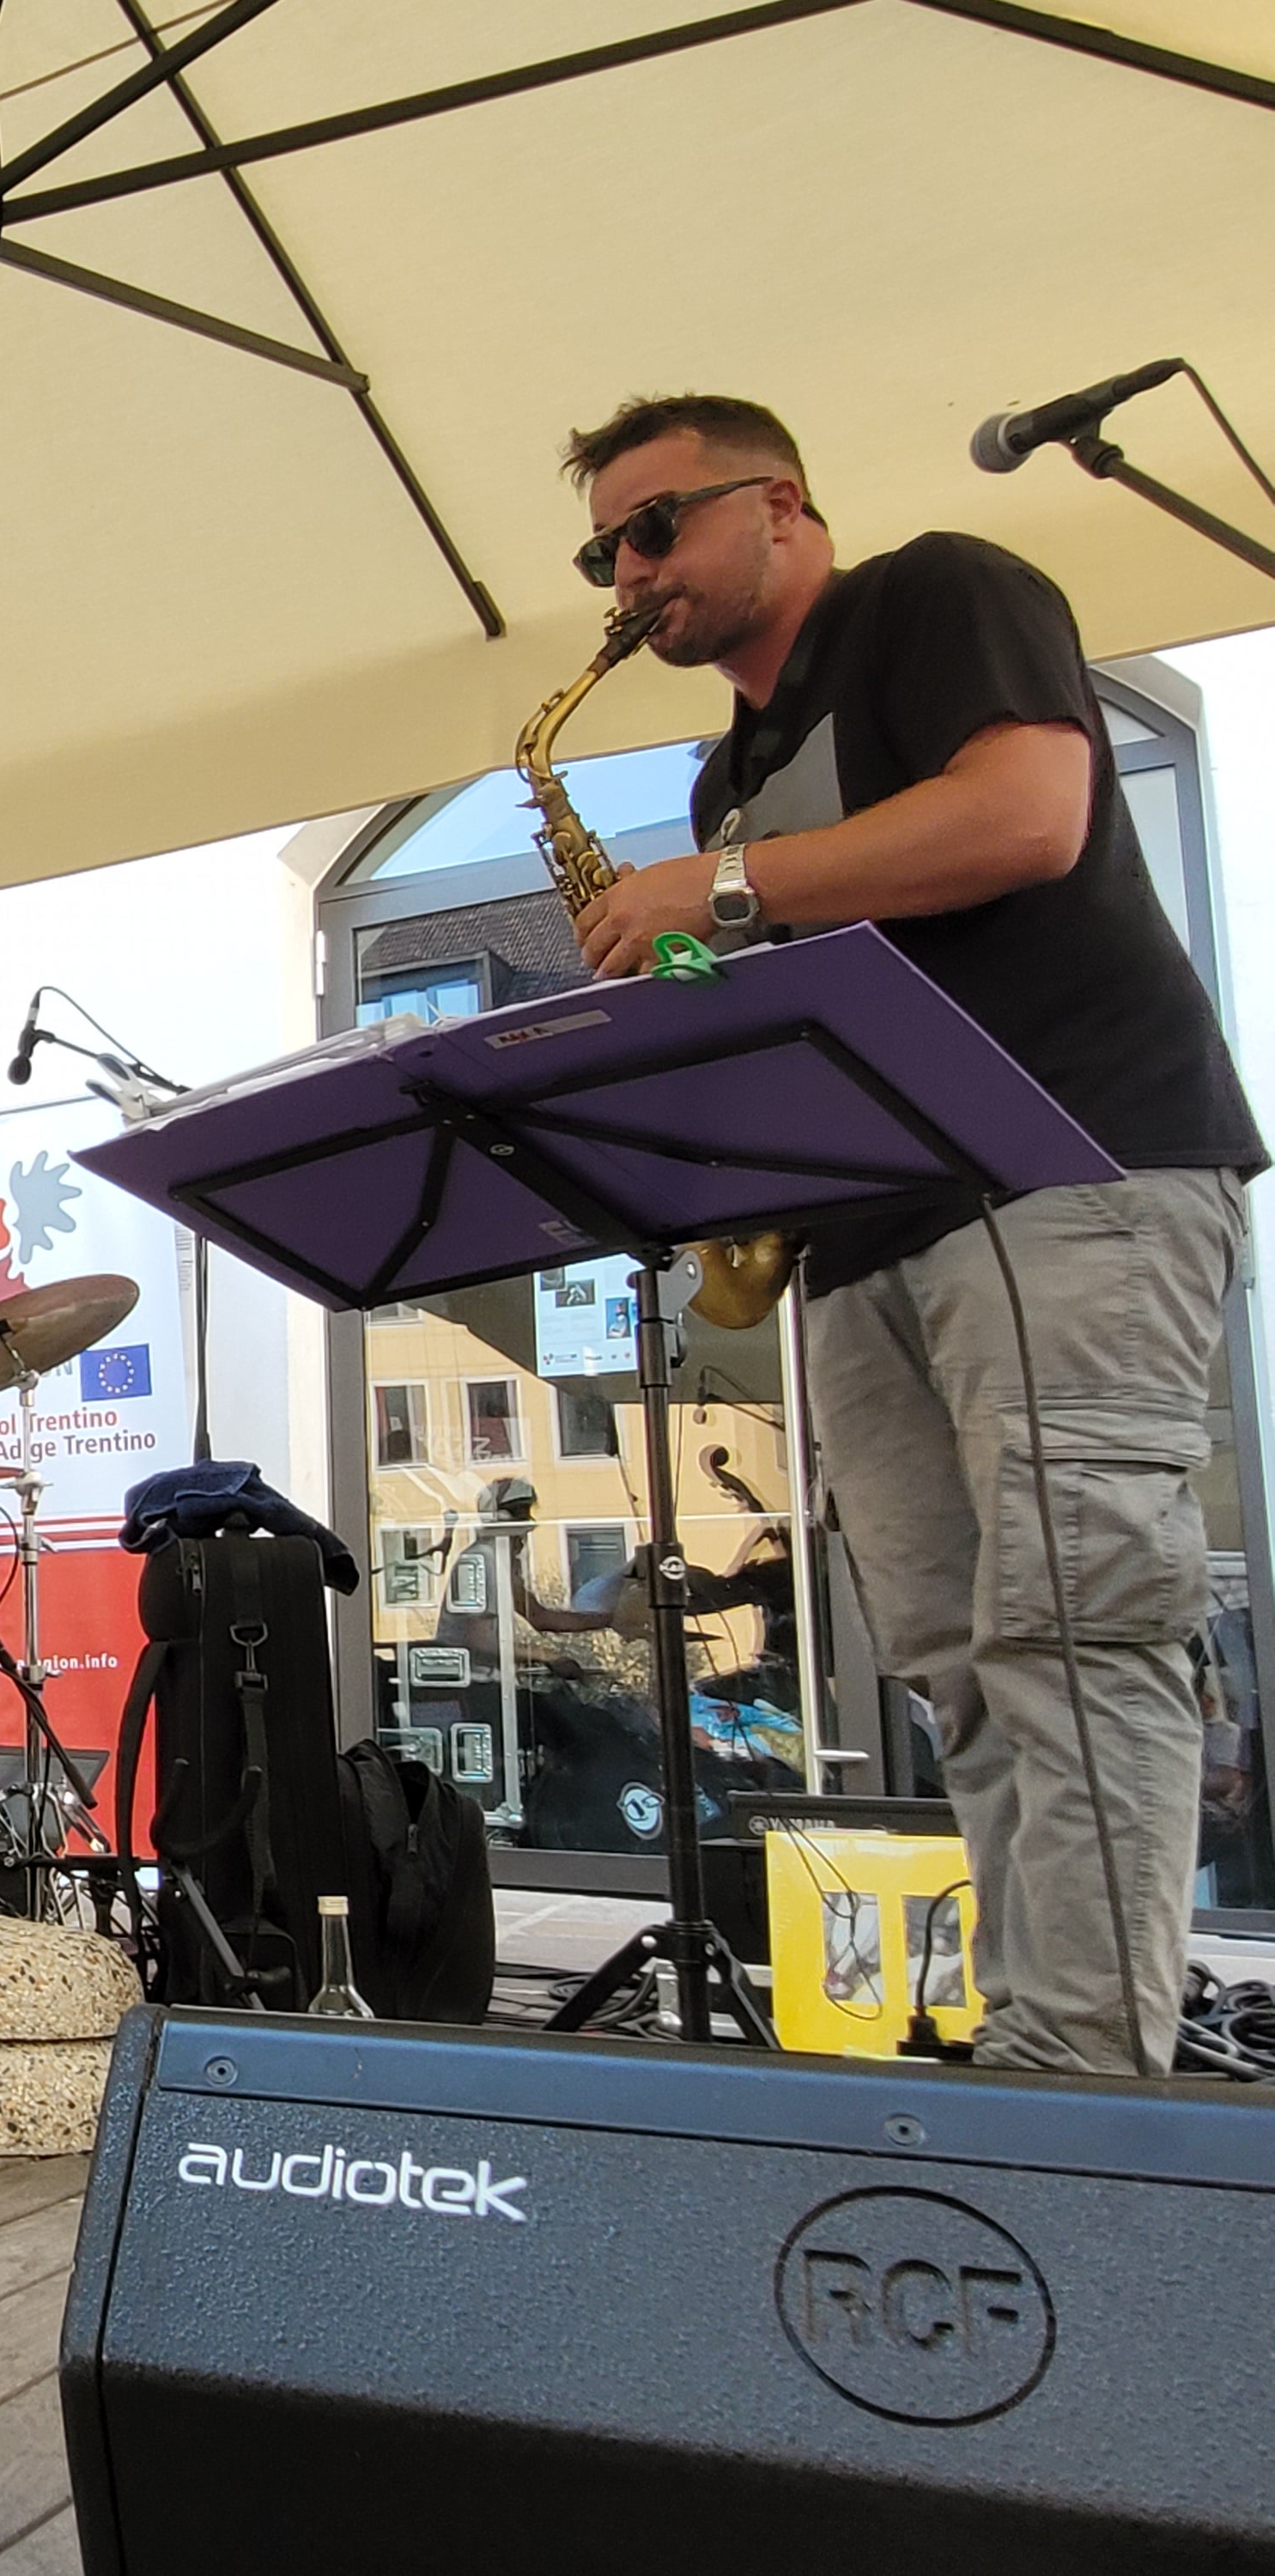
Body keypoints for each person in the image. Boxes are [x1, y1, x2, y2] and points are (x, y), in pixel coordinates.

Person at [563, 392, 1266, 2075]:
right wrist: (658, 989)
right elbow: (764, 972)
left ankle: (1082, 2075)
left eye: (654, 526)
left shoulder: (935, 592)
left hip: (1059, 1167)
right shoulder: (727, 775)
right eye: (604, 554)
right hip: (864, 1230)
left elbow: (1026, 817)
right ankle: (1047, 2036)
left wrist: (713, 894)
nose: (628, 572)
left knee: (1075, 1625)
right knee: (960, 1663)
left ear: (780, 506)